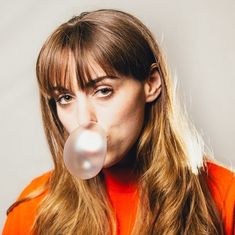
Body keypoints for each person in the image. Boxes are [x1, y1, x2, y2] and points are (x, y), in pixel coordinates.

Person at [3, 9, 235, 235]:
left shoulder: (224, 196)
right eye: (65, 98)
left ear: (151, 83)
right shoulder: (34, 210)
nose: (83, 119)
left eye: (103, 91)